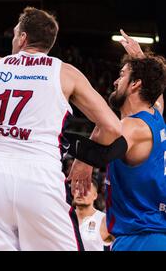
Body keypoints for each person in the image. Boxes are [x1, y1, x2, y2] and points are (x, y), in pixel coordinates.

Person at [0, 7, 124, 250]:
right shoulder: (65, 73)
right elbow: (112, 127)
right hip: (39, 175)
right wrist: (84, 161)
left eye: (14, 35)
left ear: (22, 38)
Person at [70, 31, 166, 251]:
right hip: (154, 237)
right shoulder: (155, 116)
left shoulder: (132, 127)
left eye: (122, 75)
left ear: (135, 85)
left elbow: (106, 130)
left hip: (139, 240)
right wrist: (140, 58)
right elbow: (158, 96)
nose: (115, 81)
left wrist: (82, 161)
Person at [73, 180, 113, 251]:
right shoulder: (63, 216)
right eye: (77, 189)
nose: (81, 192)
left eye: (86, 189)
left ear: (95, 196)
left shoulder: (104, 220)